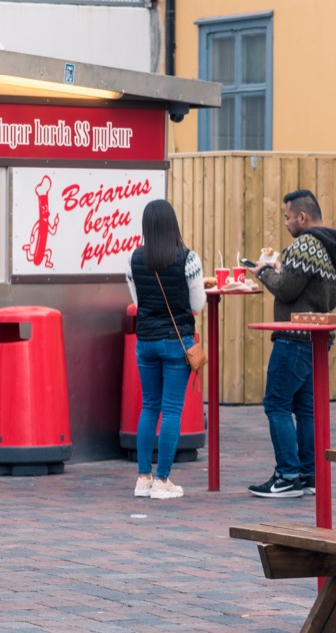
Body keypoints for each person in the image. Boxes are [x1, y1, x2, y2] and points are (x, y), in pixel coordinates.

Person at [247, 189, 336, 498]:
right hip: (316, 339)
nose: (286, 223)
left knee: (276, 403)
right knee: (306, 409)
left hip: (293, 339)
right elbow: (316, 291)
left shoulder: (304, 245)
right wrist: (284, 273)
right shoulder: (332, 246)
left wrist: (264, 271)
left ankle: (287, 475)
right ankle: (309, 473)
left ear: (302, 216)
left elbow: (287, 290)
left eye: (287, 217)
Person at [126, 200, 205, 500]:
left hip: (145, 342)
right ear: (173, 223)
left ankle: (143, 478)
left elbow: (137, 301)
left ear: (147, 226)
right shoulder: (189, 258)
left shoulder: (133, 259)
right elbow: (196, 304)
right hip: (176, 341)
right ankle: (163, 481)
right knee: (172, 410)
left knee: (150, 406)